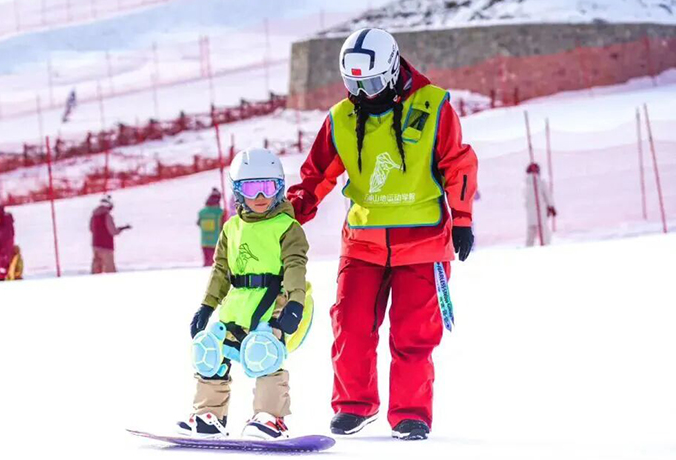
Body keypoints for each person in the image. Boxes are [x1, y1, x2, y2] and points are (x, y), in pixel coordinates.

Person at [286, 28, 478, 440]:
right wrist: (290, 215)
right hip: (363, 243)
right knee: (350, 325)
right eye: (353, 85)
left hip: (423, 242)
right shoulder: (341, 118)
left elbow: (458, 163)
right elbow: (316, 175)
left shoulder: (433, 106)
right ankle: (354, 405)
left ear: (391, 72)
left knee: (413, 335)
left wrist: (462, 219)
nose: (363, 94)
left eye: (371, 84)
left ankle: (411, 414)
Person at [180, 148, 309, 440]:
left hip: (272, 303)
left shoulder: (287, 228)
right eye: (251, 189)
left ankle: (270, 417)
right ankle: (208, 415)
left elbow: (295, 266)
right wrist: (206, 306)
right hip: (236, 304)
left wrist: (295, 303)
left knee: (264, 353)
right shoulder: (232, 228)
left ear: (279, 188)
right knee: (211, 352)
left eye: (268, 187)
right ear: (238, 191)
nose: (260, 196)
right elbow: (220, 270)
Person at [89, 195, 131, 274]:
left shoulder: (94, 215)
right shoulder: (107, 216)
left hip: (95, 244)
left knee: (96, 269)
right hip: (106, 245)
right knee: (109, 269)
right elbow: (113, 231)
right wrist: (121, 229)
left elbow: (91, 229)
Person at [525, 163, 556, 247]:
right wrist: (551, 207)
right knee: (544, 232)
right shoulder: (541, 183)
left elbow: (525, 200)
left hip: (530, 214)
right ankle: (546, 246)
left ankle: (528, 247)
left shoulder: (525, 185)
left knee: (531, 232)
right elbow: (547, 195)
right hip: (540, 212)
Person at [197, 188, 225, 266]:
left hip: (205, 242)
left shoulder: (202, 212)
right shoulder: (220, 213)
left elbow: (198, 223)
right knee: (215, 265)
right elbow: (224, 226)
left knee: (207, 264)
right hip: (216, 242)